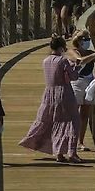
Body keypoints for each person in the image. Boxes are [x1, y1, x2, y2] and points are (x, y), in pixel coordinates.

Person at [19, 34, 82, 162]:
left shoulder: (45, 60)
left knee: (53, 121)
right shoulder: (62, 61)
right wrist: (77, 66)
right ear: (61, 48)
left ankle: (58, 153)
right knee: (73, 122)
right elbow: (73, 76)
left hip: (49, 94)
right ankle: (72, 152)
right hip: (64, 93)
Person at [67, 30, 95, 151]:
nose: (88, 41)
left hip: (88, 82)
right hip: (76, 83)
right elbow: (80, 61)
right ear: (79, 41)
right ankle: (70, 140)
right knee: (73, 113)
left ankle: (80, 142)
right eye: (86, 39)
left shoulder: (90, 53)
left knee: (84, 114)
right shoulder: (72, 52)